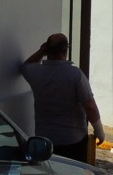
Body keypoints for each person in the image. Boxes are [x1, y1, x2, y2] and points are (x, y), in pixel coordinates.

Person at [21, 33, 105, 163]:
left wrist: (41, 51)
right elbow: (89, 105)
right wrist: (99, 130)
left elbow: (25, 66)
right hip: (73, 140)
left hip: (45, 139)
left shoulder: (36, 72)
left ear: (46, 49)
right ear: (66, 50)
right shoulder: (75, 74)